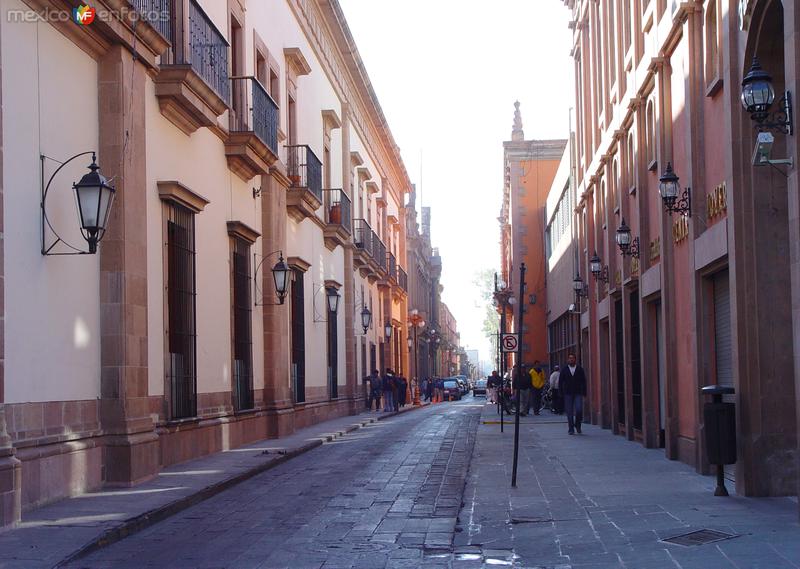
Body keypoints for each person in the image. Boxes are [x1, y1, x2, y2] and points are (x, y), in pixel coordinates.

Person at [559, 353, 587, 434]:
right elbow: (560, 382)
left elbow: (584, 381)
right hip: (567, 393)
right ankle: (571, 428)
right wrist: (560, 392)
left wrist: (584, 392)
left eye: (573, 358)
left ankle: (578, 425)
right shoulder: (564, 369)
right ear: (568, 360)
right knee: (569, 412)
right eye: (570, 358)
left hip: (578, 392)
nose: (571, 359)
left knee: (579, 409)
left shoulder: (579, 369)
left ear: (575, 360)